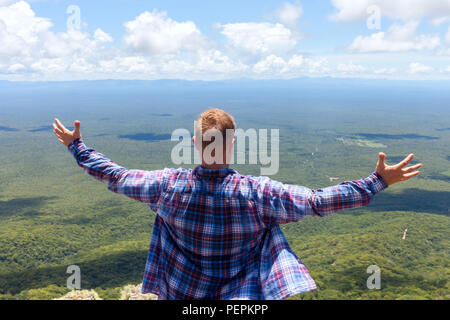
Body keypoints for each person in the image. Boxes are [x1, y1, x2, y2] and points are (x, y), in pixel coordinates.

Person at [52, 108, 422, 300]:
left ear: (196, 145)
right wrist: (377, 181)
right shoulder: (258, 193)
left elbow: (115, 176)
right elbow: (317, 202)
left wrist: (76, 146)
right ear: (232, 146)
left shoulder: (166, 187)